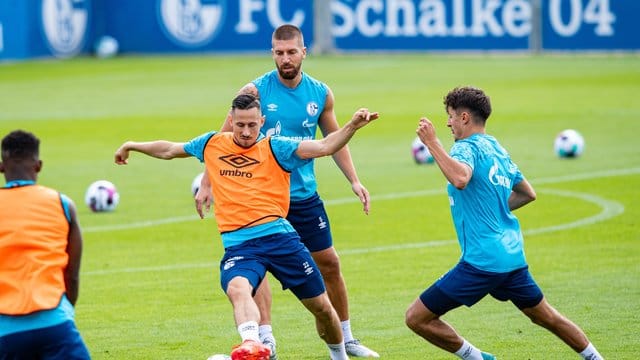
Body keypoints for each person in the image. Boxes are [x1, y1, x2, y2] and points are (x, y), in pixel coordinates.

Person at [114, 94, 379, 360]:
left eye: (252, 125)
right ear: (231, 120)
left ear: (262, 121)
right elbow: (169, 149)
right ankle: (252, 343)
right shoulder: (212, 143)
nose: (246, 131)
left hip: (281, 239)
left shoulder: (277, 148)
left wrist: (351, 127)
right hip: (239, 246)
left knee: (321, 307)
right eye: (240, 125)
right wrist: (132, 145)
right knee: (237, 289)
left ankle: (339, 355)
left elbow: (323, 146)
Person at [196, 24, 379, 359]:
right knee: (257, 266)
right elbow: (221, 140)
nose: (285, 59)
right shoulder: (255, 91)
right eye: (279, 53)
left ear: (303, 52)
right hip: (260, 198)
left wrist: (354, 180)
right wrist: (207, 183)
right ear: (272, 54)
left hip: (303, 195)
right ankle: (265, 341)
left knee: (330, 264)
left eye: (291, 52)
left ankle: (347, 337)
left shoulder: (320, 93)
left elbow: (332, 140)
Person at [404, 86, 604, 360]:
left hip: (481, 263)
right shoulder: (495, 146)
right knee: (548, 317)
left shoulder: (465, 148)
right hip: (511, 256)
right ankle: (596, 357)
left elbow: (460, 179)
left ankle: (477, 357)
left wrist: (433, 143)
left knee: (416, 317)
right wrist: (493, 207)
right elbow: (527, 193)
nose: (447, 123)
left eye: (450, 116)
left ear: (464, 117)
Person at [0, 130, 91, 360]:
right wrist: (64, 313)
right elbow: (72, 275)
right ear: (39, 166)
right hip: (55, 323)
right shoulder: (62, 204)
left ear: (2, 167)